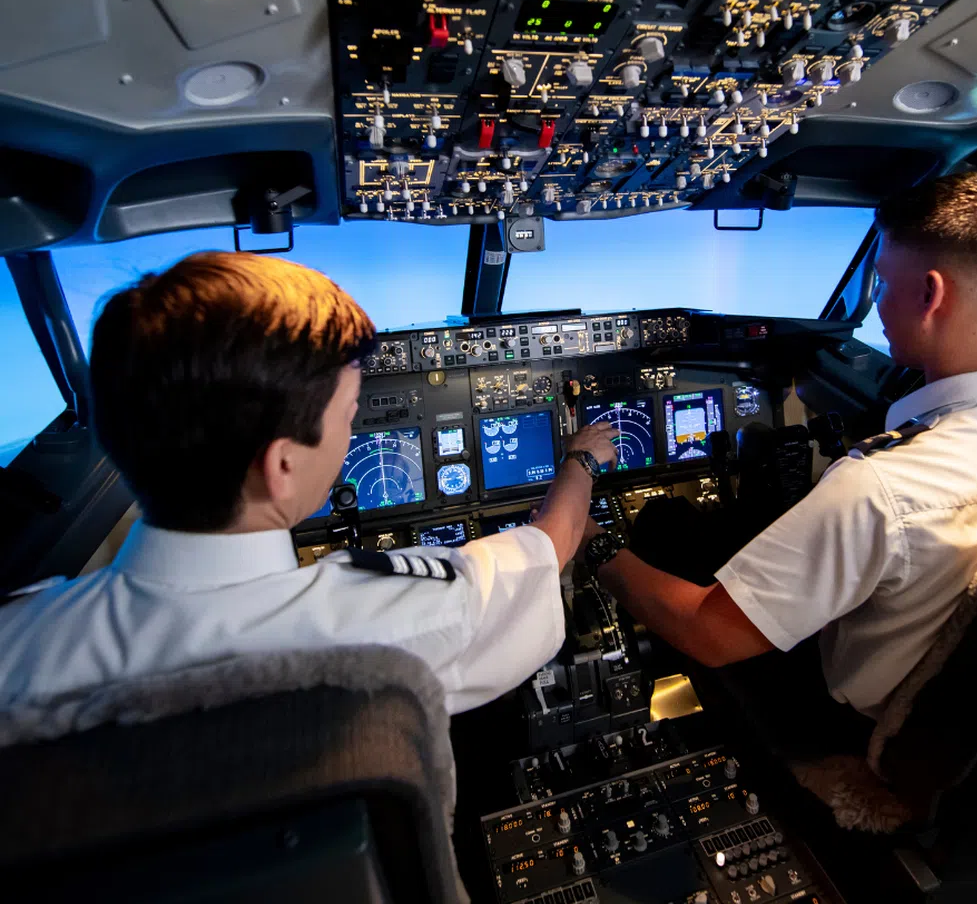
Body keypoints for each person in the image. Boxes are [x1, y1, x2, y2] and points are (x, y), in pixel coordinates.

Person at [581, 169, 977, 752]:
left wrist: (590, 542)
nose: (874, 307)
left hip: (853, 728)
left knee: (666, 532)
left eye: (881, 283)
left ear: (930, 294)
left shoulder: (886, 486)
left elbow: (707, 633)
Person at [0, 251, 618, 716]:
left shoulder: (18, 647)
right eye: (348, 418)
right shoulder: (396, 620)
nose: (351, 440)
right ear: (282, 466)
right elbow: (551, 545)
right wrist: (580, 461)